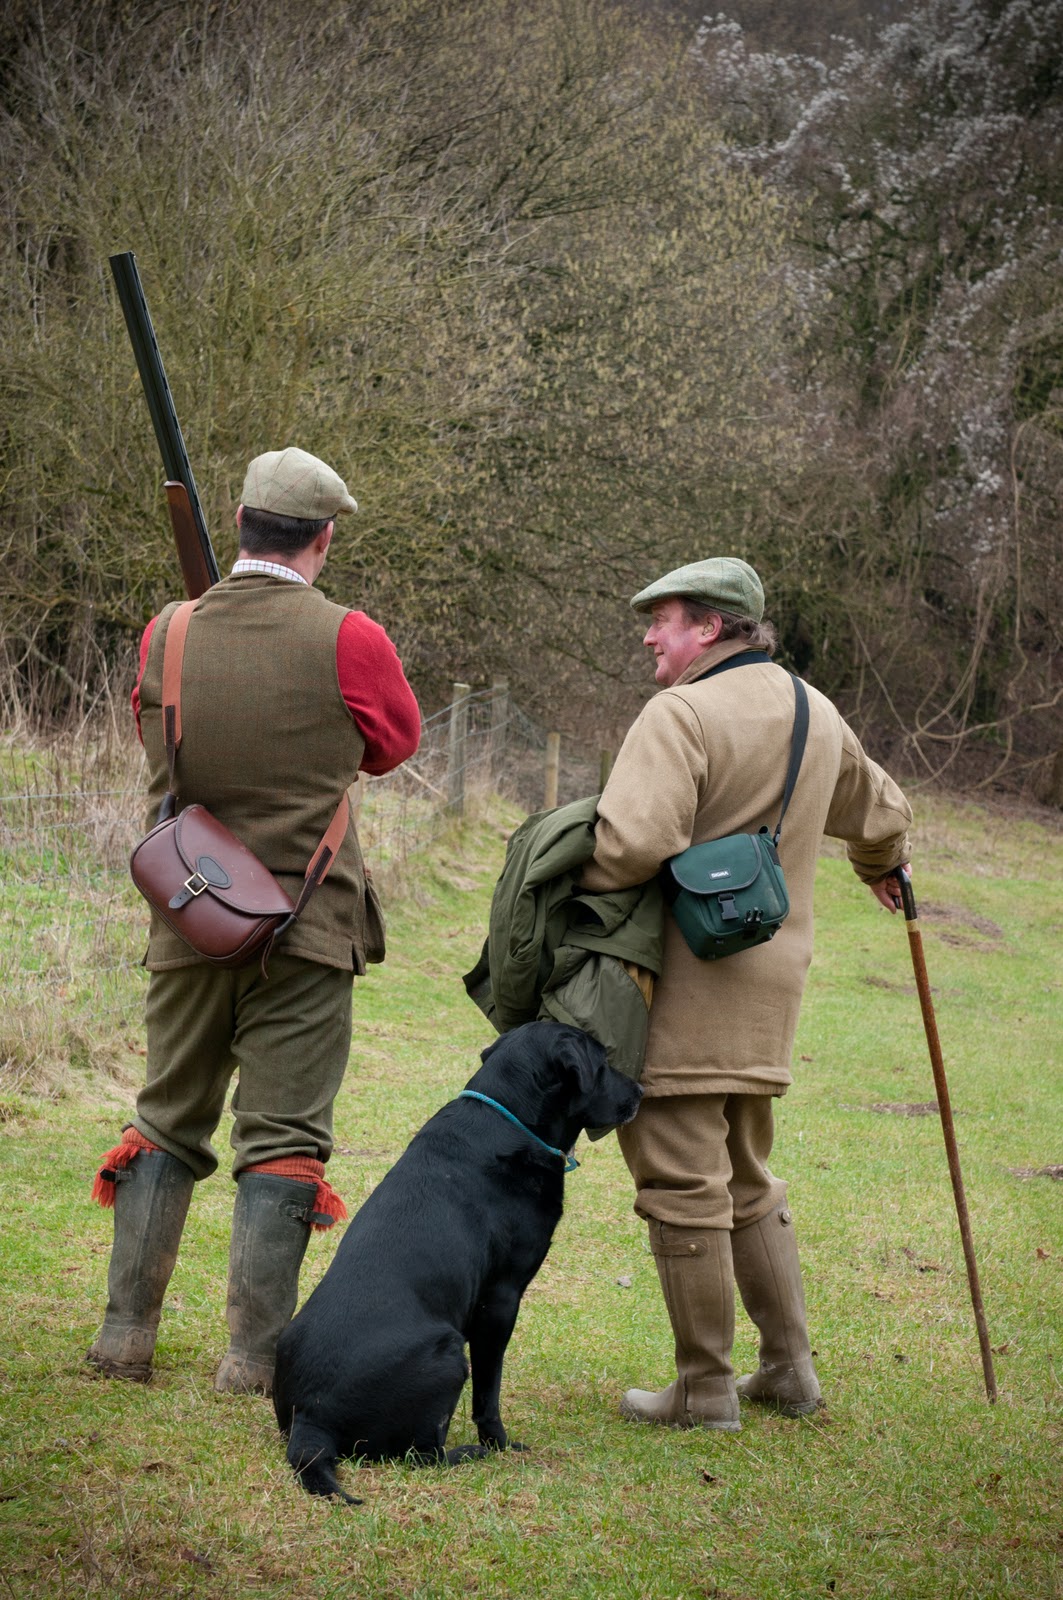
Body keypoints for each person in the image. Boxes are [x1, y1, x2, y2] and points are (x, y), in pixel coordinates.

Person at [87, 447, 421, 1396]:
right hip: (307, 930)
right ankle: (252, 1362)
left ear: (237, 523)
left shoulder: (169, 632)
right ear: (322, 538)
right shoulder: (351, 637)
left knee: (164, 1118)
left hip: (189, 916)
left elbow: (152, 730)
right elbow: (392, 746)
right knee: (282, 1137)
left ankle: (123, 1338)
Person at [581, 556, 911, 1430]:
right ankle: (788, 1373)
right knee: (746, 1176)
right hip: (770, 985)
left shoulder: (679, 712)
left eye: (666, 619)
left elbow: (627, 848)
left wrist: (558, 863)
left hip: (684, 982)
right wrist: (881, 869)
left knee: (682, 1183)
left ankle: (703, 1390)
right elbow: (880, 814)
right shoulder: (815, 709)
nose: (650, 635)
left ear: (713, 628)